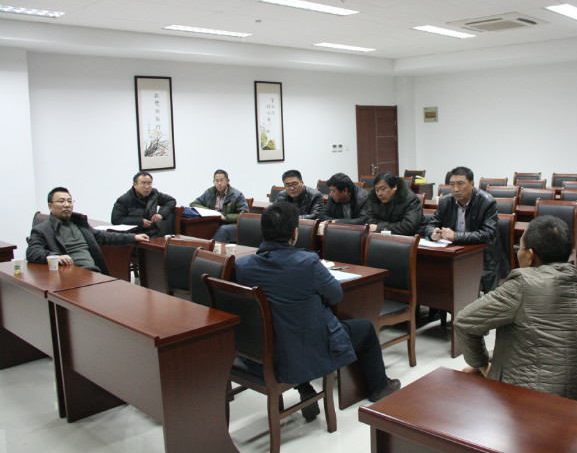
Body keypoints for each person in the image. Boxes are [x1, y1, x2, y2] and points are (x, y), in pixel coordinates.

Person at [234, 201, 400, 421]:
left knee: (285, 326)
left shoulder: (243, 266)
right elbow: (335, 296)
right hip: (305, 346)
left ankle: (304, 386)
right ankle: (379, 387)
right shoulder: (307, 263)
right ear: (295, 233)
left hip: (265, 348)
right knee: (366, 329)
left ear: (262, 233)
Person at [454, 215, 577, 405]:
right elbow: (543, 342)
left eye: (520, 248)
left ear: (530, 255)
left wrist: (483, 366)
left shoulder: (523, 284)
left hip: (537, 404)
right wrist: (488, 360)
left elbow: (464, 322)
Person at [27, 187, 149, 274]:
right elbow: (32, 252)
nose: (67, 205)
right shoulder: (42, 230)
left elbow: (104, 237)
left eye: (69, 201)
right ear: (50, 206)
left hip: (94, 272)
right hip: (71, 276)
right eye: (61, 201)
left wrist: (133, 237)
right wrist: (55, 257)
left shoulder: (80, 224)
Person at [426, 166, 509, 291]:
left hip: (483, 257)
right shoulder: (445, 201)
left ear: (472, 184)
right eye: (452, 185)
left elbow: (488, 234)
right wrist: (433, 232)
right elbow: (430, 225)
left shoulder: (487, 202)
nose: (456, 189)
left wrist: (456, 236)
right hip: (454, 253)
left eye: (460, 184)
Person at [190, 169, 250, 243]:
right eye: (216, 181)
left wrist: (225, 217)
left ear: (228, 181)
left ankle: (211, 249)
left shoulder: (237, 195)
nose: (219, 183)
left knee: (223, 229)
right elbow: (194, 204)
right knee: (198, 227)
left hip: (232, 224)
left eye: (222, 180)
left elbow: (244, 216)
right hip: (214, 221)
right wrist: (210, 212)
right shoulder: (209, 193)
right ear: (213, 182)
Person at [112, 171, 176, 237]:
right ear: (135, 185)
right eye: (143, 183)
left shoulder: (154, 194)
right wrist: (140, 222)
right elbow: (116, 220)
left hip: (153, 234)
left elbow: (171, 201)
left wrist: (161, 214)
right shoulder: (125, 199)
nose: (147, 187)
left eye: (149, 183)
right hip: (135, 236)